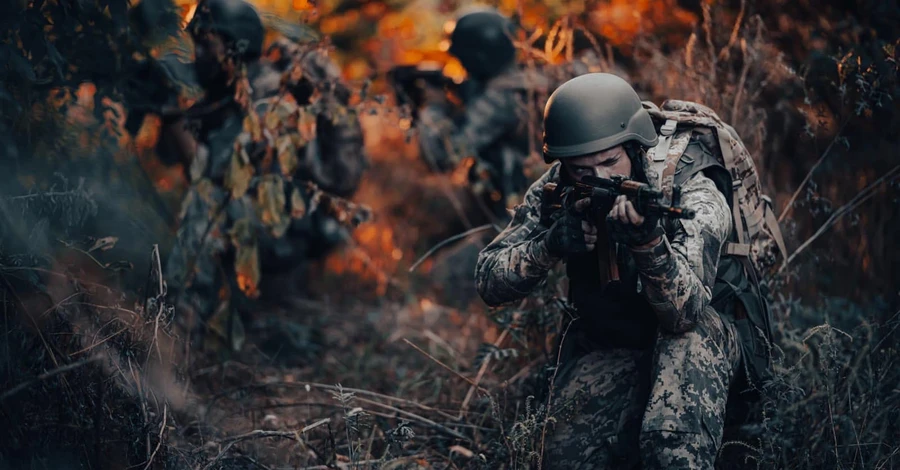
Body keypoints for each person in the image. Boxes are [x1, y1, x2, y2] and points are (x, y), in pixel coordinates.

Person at [475, 73, 769, 468]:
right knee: (561, 460)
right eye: (582, 170)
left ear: (634, 145)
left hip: (704, 341)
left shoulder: (692, 188)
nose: (600, 179)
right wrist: (548, 246)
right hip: (619, 340)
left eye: (610, 162)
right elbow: (489, 279)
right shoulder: (558, 186)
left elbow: (685, 316)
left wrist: (648, 244)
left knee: (669, 450)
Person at [156, 0, 367, 346]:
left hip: (291, 235)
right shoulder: (226, 92)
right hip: (265, 226)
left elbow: (213, 174)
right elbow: (167, 154)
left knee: (206, 206)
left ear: (235, 45)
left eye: (206, 44)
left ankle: (175, 340)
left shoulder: (267, 92)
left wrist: (171, 112)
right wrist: (165, 106)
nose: (199, 55)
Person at [412, 6, 550, 218]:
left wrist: (434, 106)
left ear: (478, 59)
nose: (462, 68)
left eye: (464, 61)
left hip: (527, 217)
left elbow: (442, 157)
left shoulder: (501, 97)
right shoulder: (525, 80)